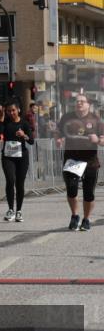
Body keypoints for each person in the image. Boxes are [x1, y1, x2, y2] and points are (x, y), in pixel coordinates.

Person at [56, 93, 103, 231]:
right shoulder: (67, 118)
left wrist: (98, 140)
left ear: (89, 104)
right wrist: (58, 139)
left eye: (82, 101)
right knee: (71, 189)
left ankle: (86, 219)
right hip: (72, 160)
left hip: (90, 161)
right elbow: (58, 131)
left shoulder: (96, 120)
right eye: (77, 101)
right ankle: (75, 215)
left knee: (89, 193)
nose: (79, 103)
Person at [0, 101, 33, 222]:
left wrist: (24, 135)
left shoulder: (24, 123)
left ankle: (19, 211)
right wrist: (1, 118)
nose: (11, 113)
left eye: (13, 110)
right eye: (8, 111)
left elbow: (31, 140)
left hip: (22, 156)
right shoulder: (6, 122)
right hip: (8, 156)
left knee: (19, 183)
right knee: (10, 180)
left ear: (18, 110)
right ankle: (10, 209)